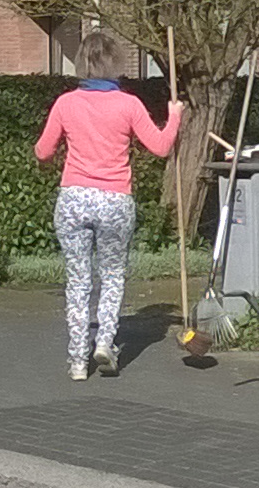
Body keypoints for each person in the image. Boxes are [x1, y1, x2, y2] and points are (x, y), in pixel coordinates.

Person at [34, 31, 184, 380]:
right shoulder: (128, 104)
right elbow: (161, 147)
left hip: (74, 198)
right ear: (116, 63)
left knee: (78, 280)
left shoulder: (66, 103)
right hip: (115, 199)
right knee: (112, 275)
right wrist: (174, 115)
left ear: (82, 64)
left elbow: (43, 151)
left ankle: (77, 360)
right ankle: (104, 342)